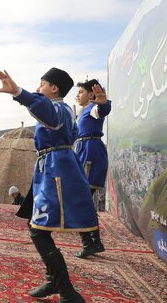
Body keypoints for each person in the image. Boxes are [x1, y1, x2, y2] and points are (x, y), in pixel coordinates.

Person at [0, 67, 95, 302]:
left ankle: (65, 288)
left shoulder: (58, 109)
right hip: (48, 169)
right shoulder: (65, 112)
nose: (38, 88)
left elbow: (43, 108)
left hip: (55, 172)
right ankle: (54, 281)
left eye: (41, 84)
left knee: (38, 230)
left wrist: (19, 92)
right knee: (36, 225)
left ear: (54, 88)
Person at [74, 79, 111, 259]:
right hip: (82, 153)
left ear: (90, 94)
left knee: (81, 200)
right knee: (84, 201)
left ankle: (90, 242)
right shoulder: (81, 112)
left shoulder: (93, 109)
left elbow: (102, 110)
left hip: (91, 154)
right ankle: (93, 241)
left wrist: (103, 102)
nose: (77, 95)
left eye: (81, 92)